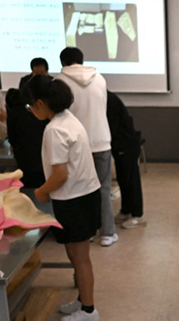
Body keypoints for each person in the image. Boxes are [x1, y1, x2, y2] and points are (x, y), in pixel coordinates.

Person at [24, 74, 102, 321]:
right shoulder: (68, 119)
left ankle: (89, 310)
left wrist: (41, 192)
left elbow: (59, 175)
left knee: (80, 258)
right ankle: (83, 300)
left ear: (40, 104)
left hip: (74, 199)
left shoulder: (55, 130)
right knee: (75, 253)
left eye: (30, 106)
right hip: (83, 195)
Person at [56, 47, 117, 246]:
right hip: (101, 140)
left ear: (63, 63)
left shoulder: (59, 82)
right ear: (81, 61)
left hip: (75, 145)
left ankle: (87, 232)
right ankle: (108, 233)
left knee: (80, 191)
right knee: (104, 189)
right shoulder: (99, 78)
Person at [5, 81, 49, 213]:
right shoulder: (39, 112)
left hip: (24, 159)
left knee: (29, 191)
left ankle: (31, 216)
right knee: (44, 189)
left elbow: (12, 138)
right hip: (43, 157)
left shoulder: (13, 114)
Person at [106, 90, 144, 228]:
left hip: (126, 142)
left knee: (131, 179)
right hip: (119, 144)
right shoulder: (105, 97)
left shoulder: (108, 100)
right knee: (123, 178)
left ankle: (137, 215)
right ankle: (126, 210)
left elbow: (112, 126)